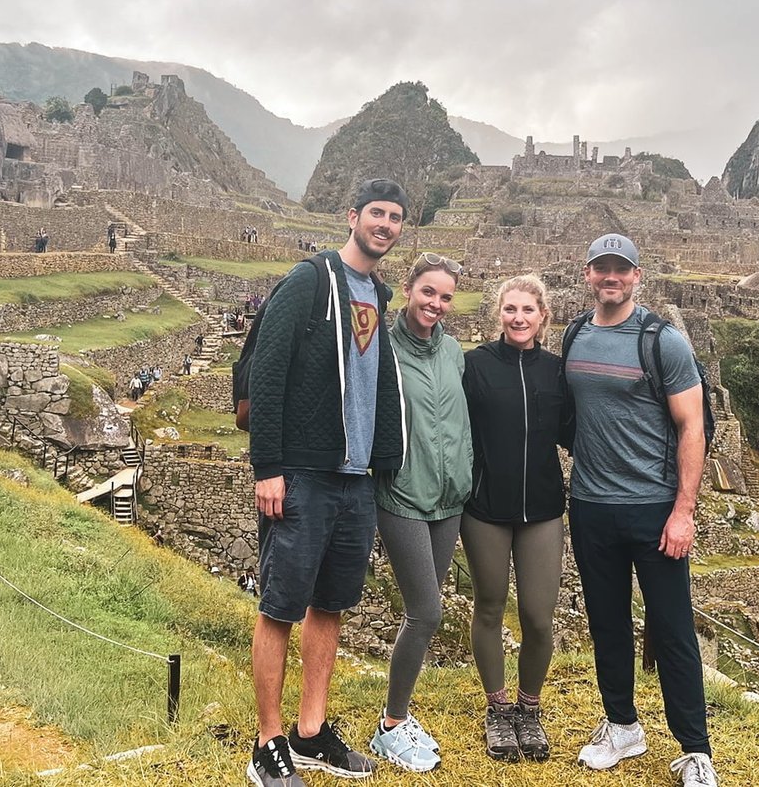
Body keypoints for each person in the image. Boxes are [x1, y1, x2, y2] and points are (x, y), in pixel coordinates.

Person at [245, 178, 409, 787]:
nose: (385, 224)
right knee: (280, 606)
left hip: (355, 477)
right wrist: (269, 467)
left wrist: (383, 461)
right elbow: (268, 372)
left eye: (394, 217)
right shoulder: (309, 281)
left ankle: (311, 731)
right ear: (353, 217)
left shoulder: (379, 295)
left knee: (331, 605)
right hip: (304, 474)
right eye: (376, 213)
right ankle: (268, 741)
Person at [563, 233, 718, 787]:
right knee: (606, 623)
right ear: (588, 274)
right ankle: (622, 725)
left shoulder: (662, 341)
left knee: (673, 628)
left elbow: (692, 427)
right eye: (602, 268)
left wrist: (683, 511)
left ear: (636, 277)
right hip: (590, 505)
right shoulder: (576, 334)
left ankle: (695, 750)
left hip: (653, 507)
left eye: (620, 270)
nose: (611, 277)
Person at [461, 274, 573, 763]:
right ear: (498, 314)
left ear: (542, 317)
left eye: (529, 310)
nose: (519, 318)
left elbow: (577, 431)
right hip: (486, 507)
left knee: (537, 616)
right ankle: (497, 708)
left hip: (542, 509)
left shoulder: (557, 372)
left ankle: (529, 708)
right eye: (511, 309)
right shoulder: (475, 367)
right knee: (488, 605)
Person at [367, 252, 472, 772]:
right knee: (426, 611)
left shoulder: (453, 352)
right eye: (428, 292)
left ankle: (399, 716)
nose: (436, 303)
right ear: (408, 289)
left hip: (449, 498)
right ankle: (390, 725)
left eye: (446, 296)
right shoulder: (382, 349)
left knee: (427, 612)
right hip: (403, 495)